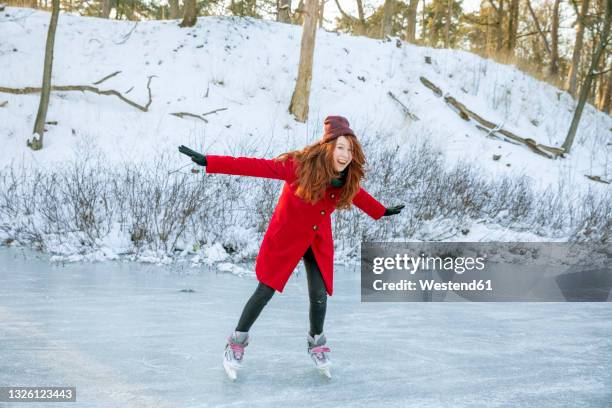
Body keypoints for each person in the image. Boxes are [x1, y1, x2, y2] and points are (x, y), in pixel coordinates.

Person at [179, 115, 404, 378]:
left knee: (319, 296)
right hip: (286, 238)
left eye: (350, 150)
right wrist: (209, 161)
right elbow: (255, 167)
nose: (345, 155)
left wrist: (381, 211)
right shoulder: (299, 167)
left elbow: (358, 195)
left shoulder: (345, 179)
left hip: (316, 240)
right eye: (340, 148)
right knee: (265, 291)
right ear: (328, 146)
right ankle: (236, 342)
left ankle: (316, 343)